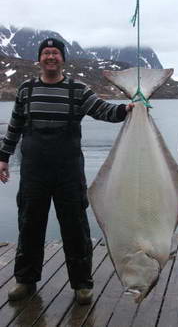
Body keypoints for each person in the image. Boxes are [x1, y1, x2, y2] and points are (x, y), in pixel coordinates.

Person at [0, 38, 134, 305]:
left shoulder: (78, 89)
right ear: (39, 59)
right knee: (29, 226)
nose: (51, 56)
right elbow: (14, 125)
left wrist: (127, 110)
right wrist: (3, 157)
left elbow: (103, 111)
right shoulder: (27, 89)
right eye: (46, 53)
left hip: (68, 173)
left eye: (56, 53)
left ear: (63, 59)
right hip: (33, 172)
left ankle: (82, 285)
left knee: (75, 228)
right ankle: (25, 281)